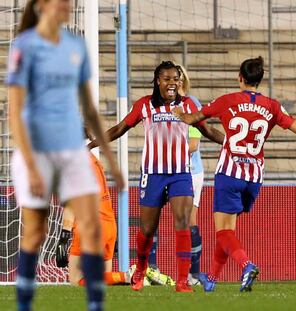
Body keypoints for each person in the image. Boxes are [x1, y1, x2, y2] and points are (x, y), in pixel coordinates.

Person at [172, 56, 296, 292]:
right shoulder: (272, 106)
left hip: (230, 173)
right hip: (253, 178)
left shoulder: (227, 101)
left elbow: (192, 119)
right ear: (260, 80)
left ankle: (246, 265)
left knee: (223, 231)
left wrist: (177, 111)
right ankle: (211, 279)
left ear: (240, 78)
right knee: (228, 229)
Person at [7, 1, 123, 310]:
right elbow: (15, 110)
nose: (68, 6)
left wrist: (109, 156)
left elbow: (89, 107)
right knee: (34, 231)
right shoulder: (24, 47)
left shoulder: (74, 47)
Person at [88, 61, 224, 292]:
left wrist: (234, 144)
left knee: (182, 222)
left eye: (176, 79)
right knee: (148, 229)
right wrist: (91, 144)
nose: (173, 83)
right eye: (168, 79)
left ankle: (182, 281)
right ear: (157, 81)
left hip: (181, 173)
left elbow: (208, 131)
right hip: (153, 175)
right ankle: (140, 269)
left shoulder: (188, 105)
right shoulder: (144, 105)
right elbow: (121, 128)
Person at [55, 128, 136, 286]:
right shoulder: (92, 159)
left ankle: (129, 275)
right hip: (108, 225)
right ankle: (128, 276)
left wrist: (63, 239)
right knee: (105, 284)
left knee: (76, 280)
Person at [176, 64, 204, 285]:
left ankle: (193, 273)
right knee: (152, 217)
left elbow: (193, 144)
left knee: (188, 221)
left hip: (190, 170)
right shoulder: (162, 105)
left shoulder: (191, 105)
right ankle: (152, 270)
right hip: (165, 169)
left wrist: (168, 153)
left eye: (175, 79)